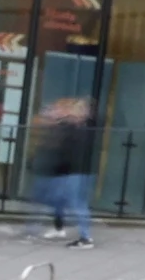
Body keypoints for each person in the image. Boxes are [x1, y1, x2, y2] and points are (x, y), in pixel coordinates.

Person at [27, 90, 99, 246]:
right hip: (65, 170)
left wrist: (56, 121)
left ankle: (85, 237)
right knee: (58, 200)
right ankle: (59, 228)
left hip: (75, 171)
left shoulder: (81, 129)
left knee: (76, 202)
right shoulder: (71, 127)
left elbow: (59, 144)